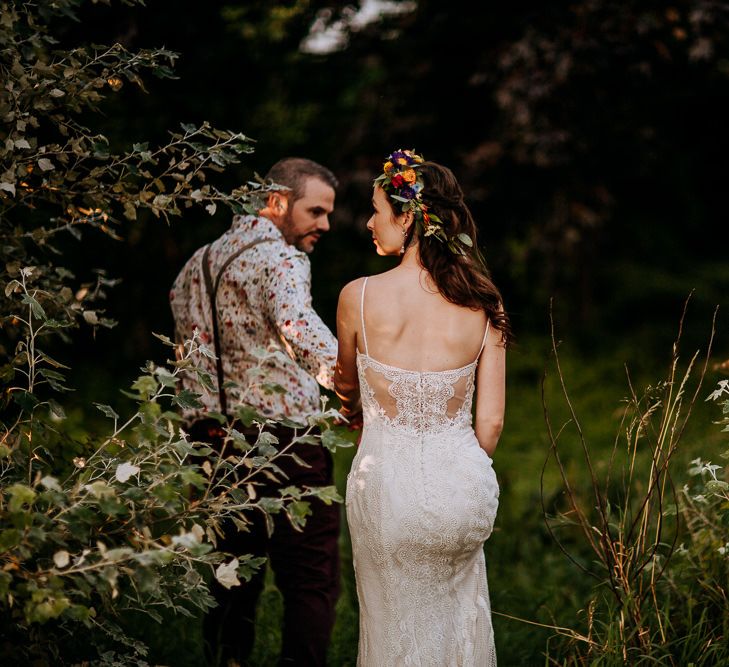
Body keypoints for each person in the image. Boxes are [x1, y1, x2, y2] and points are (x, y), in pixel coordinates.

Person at [334, 150, 510, 666]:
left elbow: (348, 390)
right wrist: (457, 467)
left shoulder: (358, 297)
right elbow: (492, 423)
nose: (369, 222)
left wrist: (353, 406)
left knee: (391, 625)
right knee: (460, 618)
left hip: (387, 488)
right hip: (464, 489)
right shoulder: (483, 301)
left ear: (407, 217)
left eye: (377, 210)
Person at [169, 157, 341, 667]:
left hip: (211, 445)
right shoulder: (282, 259)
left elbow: (187, 361)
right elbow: (299, 329)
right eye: (316, 211)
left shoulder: (193, 266)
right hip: (285, 446)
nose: (325, 225)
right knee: (311, 582)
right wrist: (354, 391)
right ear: (277, 202)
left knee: (230, 581)